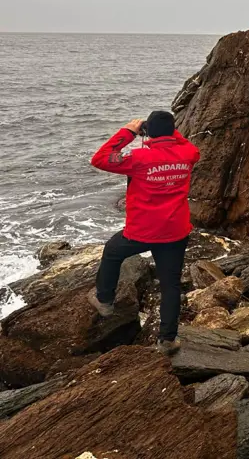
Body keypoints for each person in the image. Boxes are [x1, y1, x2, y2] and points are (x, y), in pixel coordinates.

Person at [87, 111, 200, 355]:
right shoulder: (188, 153)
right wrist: (168, 134)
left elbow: (99, 159)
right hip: (175, 232)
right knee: (170, 285)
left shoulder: (139, 158)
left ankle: (105, 301)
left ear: (149, 131)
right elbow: (185, 144)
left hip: (142, 231)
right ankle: (167, 339)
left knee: (112, 252)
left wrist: (129, 132)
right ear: (172, 131)